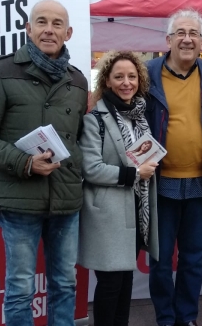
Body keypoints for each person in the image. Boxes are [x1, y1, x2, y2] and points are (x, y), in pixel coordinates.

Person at [0, 0, 87, 326]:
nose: (49, 29)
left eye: (57, 23)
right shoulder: (0, 71)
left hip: (66, 201)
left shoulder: (77, 81)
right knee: (20, 289)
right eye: (41, 22)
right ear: (28, 28)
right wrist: (25, 163)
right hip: (18, 201)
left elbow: (79, 139)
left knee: (65, 283)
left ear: (68, 32)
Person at [145, 8, 202, 326]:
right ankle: (165, 319)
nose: (187, 39)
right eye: (180, 32)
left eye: (193, 33)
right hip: (160, 182)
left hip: (201, 182)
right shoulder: (147, 72)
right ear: (168, 39)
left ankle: (187, 318)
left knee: (193, 260)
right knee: (161, 261)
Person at [78, 51, 159, 326]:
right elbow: (90, 168)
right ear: (108, 82)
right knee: (111, 283)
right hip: (107, 215)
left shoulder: (140, 117)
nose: (127, 82)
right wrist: (135, 173)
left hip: (135, 213)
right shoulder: (94, 120)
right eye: (119, 77)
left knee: (125, 281)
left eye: (132, 76)